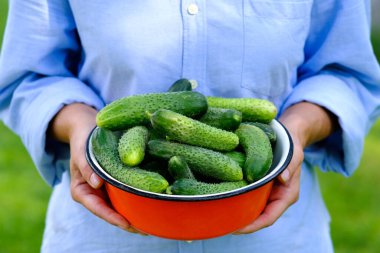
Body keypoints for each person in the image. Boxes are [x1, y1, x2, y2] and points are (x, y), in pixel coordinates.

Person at [0, 1, 379, 252]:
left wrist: (295, 131)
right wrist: (81, 125)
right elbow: (31, 76)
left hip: (275, 235)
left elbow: (345, 74)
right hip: (103, 233)